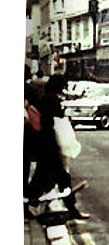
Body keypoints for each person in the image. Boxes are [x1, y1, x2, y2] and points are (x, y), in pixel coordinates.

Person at [25, 74, 90, 220]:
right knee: (46, 180)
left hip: (49, 147)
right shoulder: (51, 101)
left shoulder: (46, 100)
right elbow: (50, 125)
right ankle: (26, 204)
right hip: (51, 147)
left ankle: (71, 209)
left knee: (57, 179)